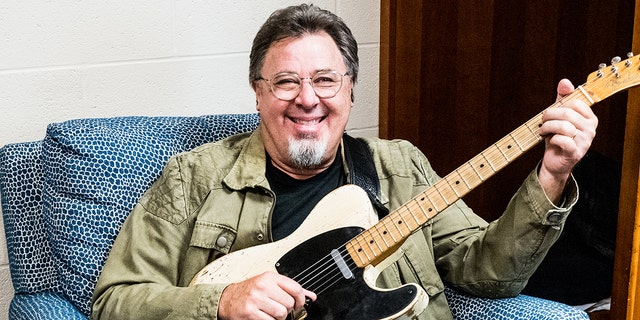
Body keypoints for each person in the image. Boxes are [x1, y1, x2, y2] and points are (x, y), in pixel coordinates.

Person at [91, 3, 598, 320]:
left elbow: (491, 274)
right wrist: (220, 303)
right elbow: (114, 301)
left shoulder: (400, 167)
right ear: (258, 93)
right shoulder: (192, 178)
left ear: (351, 92)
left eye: (326, 80)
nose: (307, 99)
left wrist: (551, 174)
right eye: (286, 81)